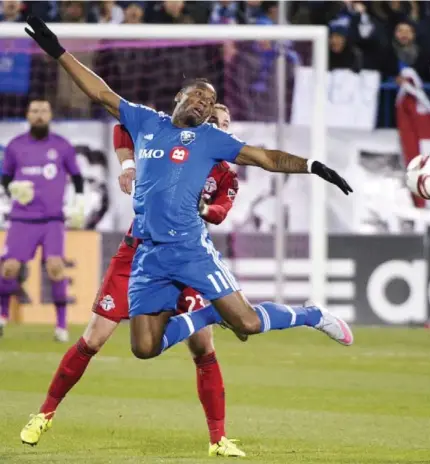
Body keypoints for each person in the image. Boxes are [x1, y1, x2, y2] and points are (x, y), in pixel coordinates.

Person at [25, 14, 353, 400]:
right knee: (143, 348)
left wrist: (312, 166)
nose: (203, 102)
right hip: (148, 252)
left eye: (210, 100)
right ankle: (208, 313)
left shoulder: (212, 139)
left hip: (189, 248)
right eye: (198, 95)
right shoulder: (146, 120)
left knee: (246, 322)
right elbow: (99, 92)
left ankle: (311, 314)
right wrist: (59, 52)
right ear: (179, 97)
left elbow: (265, 157)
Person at [20, 104, 246, 458]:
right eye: (216, 121)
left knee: (203, 348)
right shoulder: (169, 139)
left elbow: (220, 211)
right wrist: (128, 166)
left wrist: (201, 210)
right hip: (137, 252)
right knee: (93, 339)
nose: (222, 128)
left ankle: (218, 439)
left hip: (186, 258)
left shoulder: (225, 176)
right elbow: (122, 128)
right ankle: (44, 415)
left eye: (227, 124)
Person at [0, 99, 85, 342]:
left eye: (43, 111)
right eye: (35, 111)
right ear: (27, 115)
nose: (39, 115)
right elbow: (5, 179)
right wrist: (13, 188)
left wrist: (79, 204)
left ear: (50, 115)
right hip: (21, 218)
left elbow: (77, 178)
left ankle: (61, 326)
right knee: (9, 268)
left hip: (52, 220)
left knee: (56, 267)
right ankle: (3, 315)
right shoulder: (15, 146)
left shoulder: (62, 146)